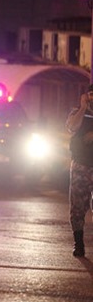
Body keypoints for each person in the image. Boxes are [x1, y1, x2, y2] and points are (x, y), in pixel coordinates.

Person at [65, 84, 93, 257]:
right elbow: (72, 127)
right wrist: (83, 107)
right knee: (77, 206)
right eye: (91, 94)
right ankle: (79, 243)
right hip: (81, 166)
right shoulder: (78, 111)